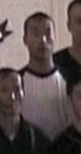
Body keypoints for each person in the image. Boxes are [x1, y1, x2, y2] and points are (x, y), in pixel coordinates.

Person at [19, 12, 70, 141]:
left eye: (48, 33)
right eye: (36, 34)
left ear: (55, 37)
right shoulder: (17, 81)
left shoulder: (69, 79)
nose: (43, 40)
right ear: (25, 40)